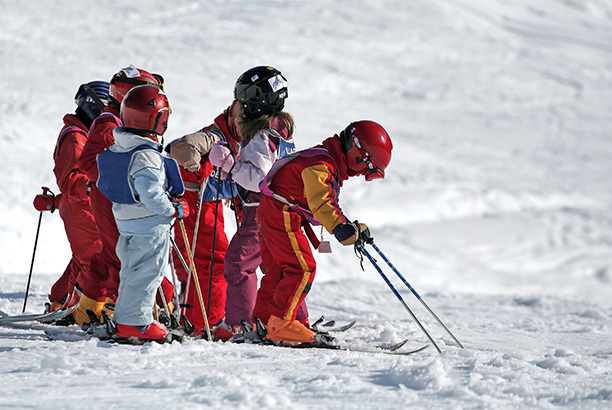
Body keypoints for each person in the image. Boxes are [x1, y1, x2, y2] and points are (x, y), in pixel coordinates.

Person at [252, 120, 393, 344]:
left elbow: (327, 203)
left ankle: (263, 322)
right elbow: (323, 203)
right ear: (358, 153)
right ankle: (281, 323)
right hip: (281, 213)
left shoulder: (325, 160)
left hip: (273, 211)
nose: (360, 175)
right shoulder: (321, 164)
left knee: (279, 271)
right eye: (365, 169)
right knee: (302, 268)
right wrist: (340, 228)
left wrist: (352, 227)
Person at [207, 66, 304, 340]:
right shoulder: (279, 128)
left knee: (238, 264)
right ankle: (295, 318)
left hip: (261, 209)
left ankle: (240, 324)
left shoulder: (262, 135)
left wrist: (229, 163)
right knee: (277, 265)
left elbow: (258, 179)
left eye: (240, 98)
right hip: (279, 207)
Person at [73, 65, 170, 325]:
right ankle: (125, 310)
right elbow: (90, 162)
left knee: (112, 253)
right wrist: (122, 177)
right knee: (125, 254)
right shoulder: (109, 122)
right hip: (112, 197)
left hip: (114, 195)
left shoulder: (118, 120)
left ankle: (89, 310)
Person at [96, 84, 188, 341]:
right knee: (148, 272)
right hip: (149, 223)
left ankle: (126, 318)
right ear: (159, 120)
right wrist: (172, 210)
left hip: (125, 219)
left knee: (131, 271)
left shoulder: (120, 147)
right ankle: (136, 323)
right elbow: (149, 193)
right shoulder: (146, 155)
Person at [33, 81, 109, 312]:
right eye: (106, 109)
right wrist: (99, 187)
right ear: (92, 106)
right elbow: (71, 180)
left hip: (86, 206)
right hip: (82, 209)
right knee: (93, 261)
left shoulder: (85, 134)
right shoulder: (76, 138)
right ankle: (81, 310)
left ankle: (59, 301)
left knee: (84, 259)